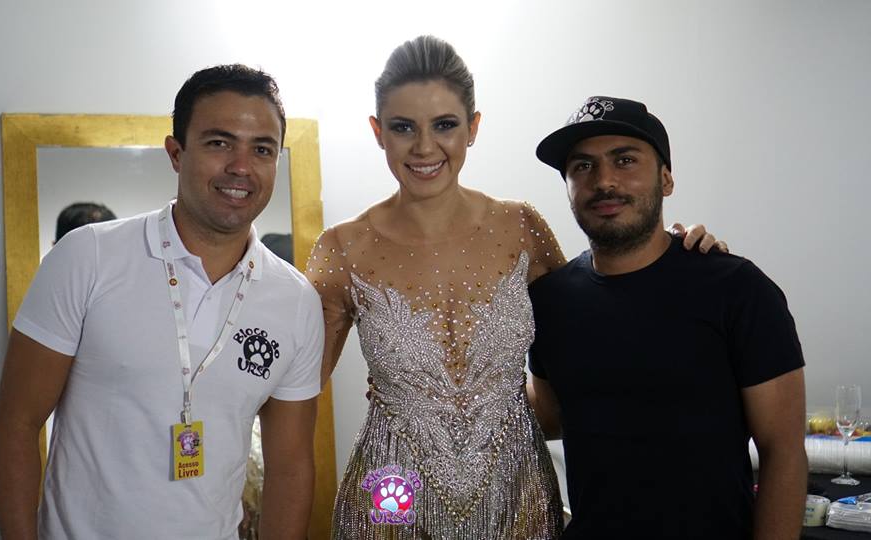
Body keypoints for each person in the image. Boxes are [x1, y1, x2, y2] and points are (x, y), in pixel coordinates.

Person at [307, 37, 721, 539]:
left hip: (516, 498)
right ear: (378, 132)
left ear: (473, 127)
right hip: (393, 498)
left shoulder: (520, 227)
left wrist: (673, 253)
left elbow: (600, 314)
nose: (424, 147)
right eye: (403, 127)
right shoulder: (343, 248)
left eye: (445, 124)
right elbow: (292, 395)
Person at [0, 64, 324, 540]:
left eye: (262, 149)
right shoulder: (88, 257)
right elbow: (17, 426)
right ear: (176, 153)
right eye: (219, 142)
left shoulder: (296, 300)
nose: (241, 166)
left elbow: (290, 466)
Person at [528, 96, 807, 539]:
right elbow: (549, 414)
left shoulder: (738, 289)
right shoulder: (548, 300)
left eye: (625, 160)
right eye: (583, 166)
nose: (604, 181)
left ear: (666, 178)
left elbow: (783, 451)